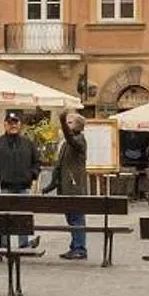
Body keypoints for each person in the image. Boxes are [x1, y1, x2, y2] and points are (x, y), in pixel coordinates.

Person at [0, 115, 43, 251]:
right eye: (10, 123)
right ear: (5, 125)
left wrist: (32, 174)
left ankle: (24, 242)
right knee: (4, 216)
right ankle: (3, 243)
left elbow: (37, 162)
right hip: (4, 187)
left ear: (20, 124)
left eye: (15, 123)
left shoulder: (28, 143)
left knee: (23, 216)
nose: (13, 125)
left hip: (23, 186)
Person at [51, 110, 90, 260]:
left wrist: (61, 118)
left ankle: (80, 248)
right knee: (71, 219)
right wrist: (51, 185)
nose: (66, 126)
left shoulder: (79, 140)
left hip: (75, 189)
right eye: (67, 122)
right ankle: (75, 246)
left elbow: (69, 137)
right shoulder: (67, 144)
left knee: (77, 218)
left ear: (78, 126)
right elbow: (59, 166)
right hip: (65, 188)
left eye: (69, 122)